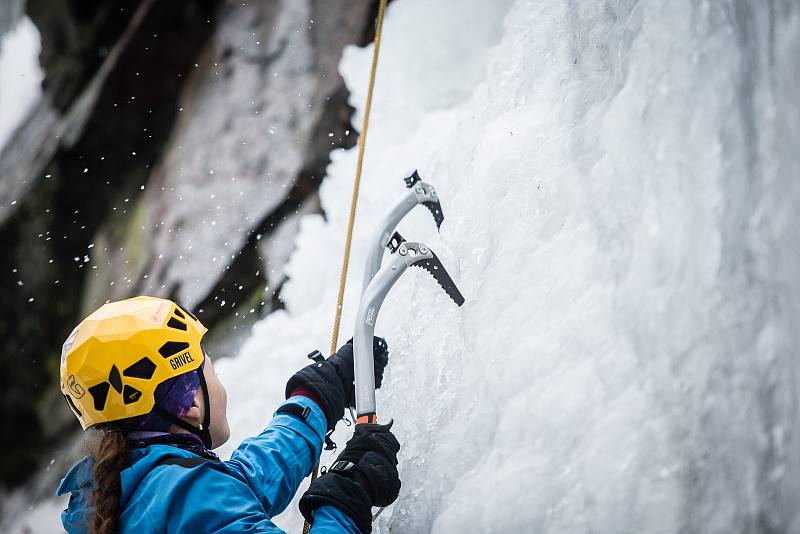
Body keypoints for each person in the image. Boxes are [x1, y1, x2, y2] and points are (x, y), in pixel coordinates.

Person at [57, 296, 400, 533]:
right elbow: (216, 499)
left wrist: (316, 396)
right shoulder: (189, 496)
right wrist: (346, 499)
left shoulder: (130, 495)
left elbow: (243, 483)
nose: (218, 382)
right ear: (191, 404)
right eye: (212, 371)